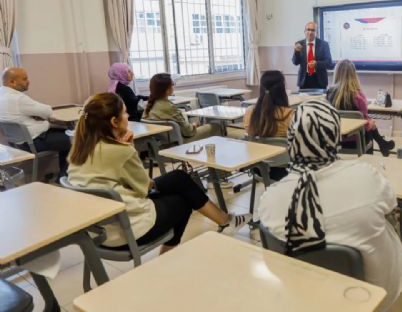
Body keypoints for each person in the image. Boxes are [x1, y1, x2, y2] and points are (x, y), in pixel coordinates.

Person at [258, 99, 402, 310]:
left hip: (303, 294)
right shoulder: (366, 177)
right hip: (371, 296)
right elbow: (391, 204)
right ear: (335, 137)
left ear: (291, 139)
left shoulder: (269, 199)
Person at [67, 92, 251, 253]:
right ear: (114, 122)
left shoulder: (79, 151)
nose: (128, 115)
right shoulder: (119, 151)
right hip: (127, 232)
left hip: (97, 232)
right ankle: (169, 255)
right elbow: (145, 188)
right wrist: (130, 148)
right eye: (124, 112)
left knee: (179, 178)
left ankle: (225, 221)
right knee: (183, 200)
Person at [0, 67, 70, 176]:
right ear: (12, 82)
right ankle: (64, 176)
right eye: (24, 79)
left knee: (66, 136)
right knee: (75, 139)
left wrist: (33, 115)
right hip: (33, 143)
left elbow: (20, 114)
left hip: (16, 143)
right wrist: (41, 117)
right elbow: (47, 111)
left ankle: (63, 175)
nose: (28, 81)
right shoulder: (18, 98)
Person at [326, 60, 395, 156]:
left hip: (335, 140)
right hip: (356, 142)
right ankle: (382, 144)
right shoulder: (358, 97)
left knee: (368, 122)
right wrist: (371, 123)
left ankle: (382, 143)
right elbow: (365, 126)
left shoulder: (329, 94)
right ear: (353, 75)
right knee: (370, 124)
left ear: (336, 74)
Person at [243, 70, 294, 181]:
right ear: (282, 90)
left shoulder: (249, 112)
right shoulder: (291, 115)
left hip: (258, 169)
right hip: (286, 171)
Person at [143, 73, 219, 143]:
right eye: (172, 84)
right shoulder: (169, 107)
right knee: (215, 126)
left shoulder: (148, 107)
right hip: (181, 140)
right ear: (167, 90)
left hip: (164, 142)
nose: (174, 86)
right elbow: (188, 132)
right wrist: (194, 125)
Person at [292, 22, 333, 90]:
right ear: (304, 31)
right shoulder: (299, 44)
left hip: (320, 80)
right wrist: (296, 52)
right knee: (303, 97)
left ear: (317, 32)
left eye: (313, 30)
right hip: (304, 80)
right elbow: (295, 62)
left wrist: (317, 64)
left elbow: (329, 63)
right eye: (308, 30)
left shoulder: (324, 45)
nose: (310, 32)